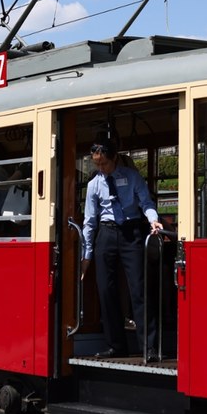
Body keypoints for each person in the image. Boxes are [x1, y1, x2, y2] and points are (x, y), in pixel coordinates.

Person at [81, 137, 163, 360]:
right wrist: (87, 254)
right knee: (106, 291)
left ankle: (149, 347)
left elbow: (145, 202)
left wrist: (152, 219)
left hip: (131, 232)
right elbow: (90, 220)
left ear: (114, 158)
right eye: (97, 165)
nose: (101, 169)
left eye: (104, 163)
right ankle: (116, 345)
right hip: (106, 234)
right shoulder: (93, 185)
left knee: (139, 289)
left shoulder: (132, 176)